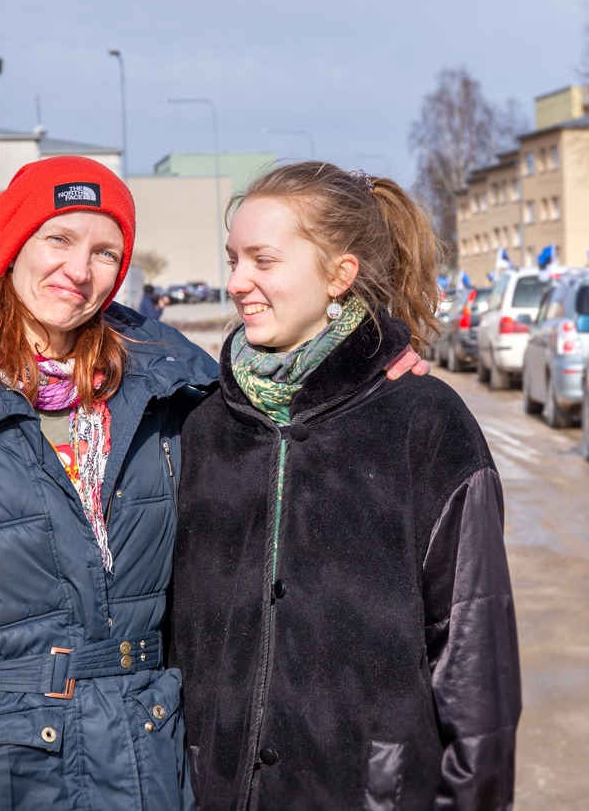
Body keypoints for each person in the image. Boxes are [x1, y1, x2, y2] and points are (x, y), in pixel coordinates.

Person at [0, 156, 429, 809]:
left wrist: (368, 366)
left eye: (105, 252)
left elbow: (280, 409)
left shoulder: (167, 382)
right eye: (58, 238)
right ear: (12, 244)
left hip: (141, 758)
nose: (79, 271)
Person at [169, 162, 521, 810]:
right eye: (233, 258)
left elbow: (474, 660)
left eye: (263, 260)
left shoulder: (424, 421)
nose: (236, 282)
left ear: (340, 274)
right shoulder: (199, 426)